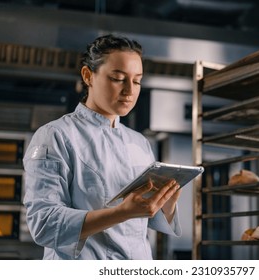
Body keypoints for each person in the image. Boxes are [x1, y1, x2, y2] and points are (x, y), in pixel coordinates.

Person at [23, 34, 182, 260]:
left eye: (137, 81)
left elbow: (142, 221)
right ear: (88, 76)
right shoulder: (55, 136)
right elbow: (45, 224)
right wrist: (120, 213)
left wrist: (166, 205)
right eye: (118, 78)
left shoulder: (139, 142)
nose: (129, 90)